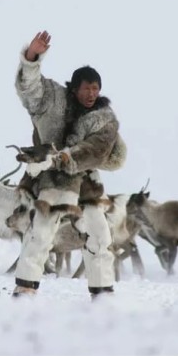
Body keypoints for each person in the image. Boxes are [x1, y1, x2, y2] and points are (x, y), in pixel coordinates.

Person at [12, 30, 127, 299]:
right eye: (86, 88)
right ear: (75, 88)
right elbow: (30, 88)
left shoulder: (104, 118)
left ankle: (102, 294)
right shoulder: (52, 99)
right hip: (52, 180)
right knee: (41, 234)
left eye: (96, 88)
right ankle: (25, 289)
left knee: (100, 237)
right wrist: (32, 56)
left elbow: (96, 150)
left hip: (86, 182)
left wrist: (66, 158)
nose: (91, 93)